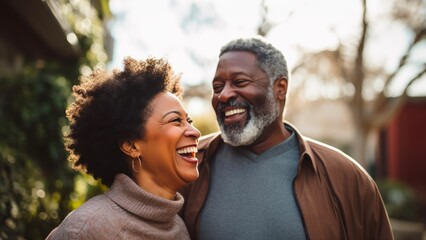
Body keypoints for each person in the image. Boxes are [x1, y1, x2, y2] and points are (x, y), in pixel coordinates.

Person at [179, 36, 394, 240]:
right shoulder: (186, 164)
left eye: (240, 82)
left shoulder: (347, 177)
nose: (223, 95)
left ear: (280, 88)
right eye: (217, 87)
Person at [46, 57, 201, 239]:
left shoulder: (179, 228)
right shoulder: (85, 230)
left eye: (188, 121)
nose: (195, 132)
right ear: (132, 145)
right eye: (176, 120)